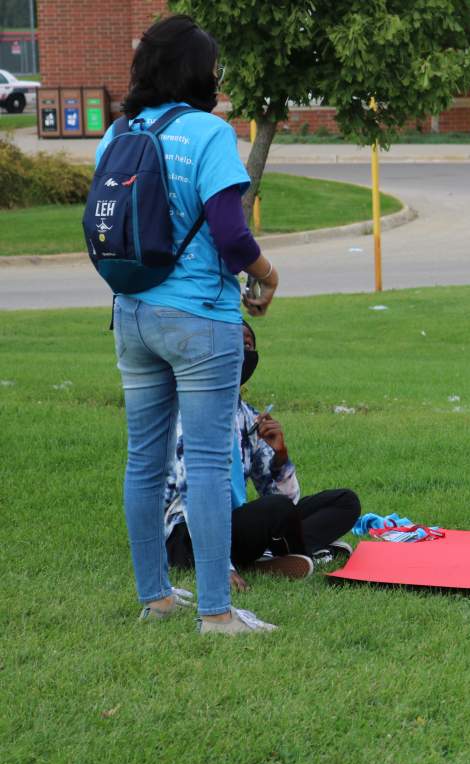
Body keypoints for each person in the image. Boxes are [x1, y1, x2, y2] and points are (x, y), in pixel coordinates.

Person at [105, 14, 281, 634]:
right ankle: (215, 612)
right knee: (207, 463)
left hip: (131, 315)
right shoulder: (209, 132)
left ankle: (154, 597)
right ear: (200, 73)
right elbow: (231, 234)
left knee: (144, 462)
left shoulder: (119, 131)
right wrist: (269, 274)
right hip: (200, 319)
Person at [163, 322, 362, 586]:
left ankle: (274, 556)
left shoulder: (247, 416)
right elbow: (194, 499)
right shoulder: (190, 414)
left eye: (248, 346)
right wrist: (221, 567)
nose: (244, 353)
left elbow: (285, 503)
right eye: (235, 345)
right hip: (187, 538)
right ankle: (297, 552)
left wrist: (280, 456)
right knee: (274, 510)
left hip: (235, 525)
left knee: (345, 501)